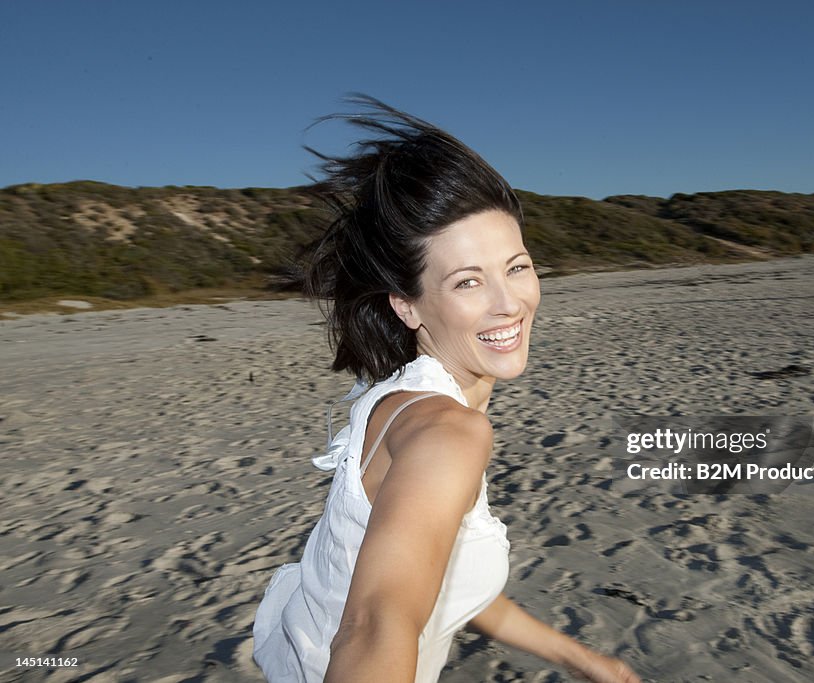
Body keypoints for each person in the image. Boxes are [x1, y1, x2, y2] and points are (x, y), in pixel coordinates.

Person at [252, 95, 641, 683]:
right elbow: (377, 621)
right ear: (407, 305)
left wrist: (585, 660)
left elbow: (438, 578)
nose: (509, 303)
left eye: (517, 267)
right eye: (467, 282)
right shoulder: (450, 432)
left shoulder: (398, 397)